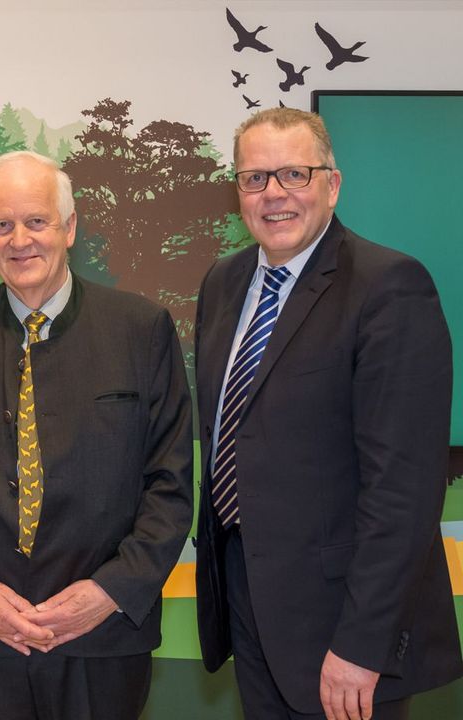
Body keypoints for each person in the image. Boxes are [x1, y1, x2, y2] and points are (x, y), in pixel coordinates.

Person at [0, 151, 193, 719]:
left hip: (105, 635)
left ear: (69, 227)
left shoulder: (140, 329)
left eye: (36, 221)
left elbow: (171, 485)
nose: (20, 240)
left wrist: (108, 592)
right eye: (2, 225)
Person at [194, 107, 462, 719]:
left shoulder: (389, 287)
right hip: (250, 609)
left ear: (332, 184)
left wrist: (362, 645)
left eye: (294, 173)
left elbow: (405, 490)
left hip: (344, 630)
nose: (274, 195)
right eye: (254, 178)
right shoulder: (223, 284)